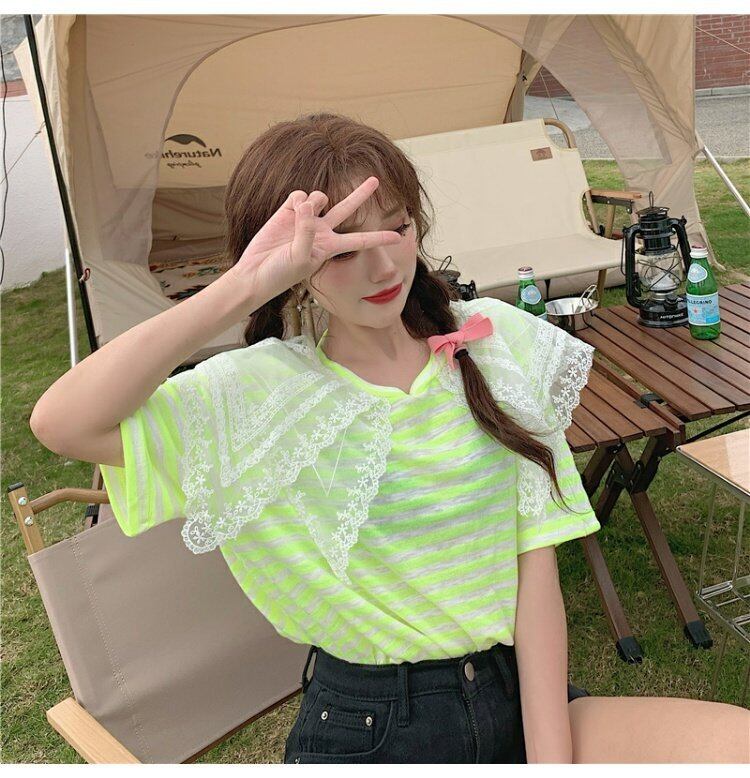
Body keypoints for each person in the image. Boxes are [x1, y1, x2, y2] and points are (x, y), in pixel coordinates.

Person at [30, 112, 750, 764]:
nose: (382, 268)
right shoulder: (255, 395)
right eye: (341, 251)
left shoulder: (496, 345)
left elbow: (535, 568)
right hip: (375, 729)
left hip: (518, 696)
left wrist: (548, 760)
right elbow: (64, 423)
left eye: (397, 229)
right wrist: (244, 285)